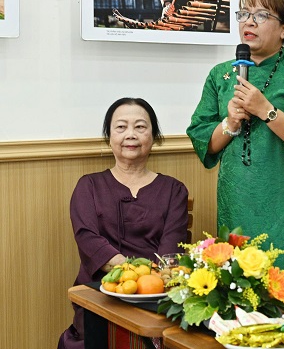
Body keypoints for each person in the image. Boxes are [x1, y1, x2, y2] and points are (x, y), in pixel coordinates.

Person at [186, 0, 284, 288]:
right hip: (237, 197)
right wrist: (230, 122)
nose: (249, 22)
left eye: (261, 15)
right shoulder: (220, 75)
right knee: (239, 289)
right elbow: (204, 141)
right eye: (244, 14)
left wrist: (266, 110)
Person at [58, 97, 189, 349]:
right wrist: (129, 272)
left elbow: (171, 249)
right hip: (99, 294)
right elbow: (87, 238)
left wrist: (147, 282)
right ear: (109, 137)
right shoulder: (88, 186)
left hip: (155, 295)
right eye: (121, 127)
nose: (131, 134)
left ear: (154, 136)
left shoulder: (174, 190)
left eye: (140, 127)